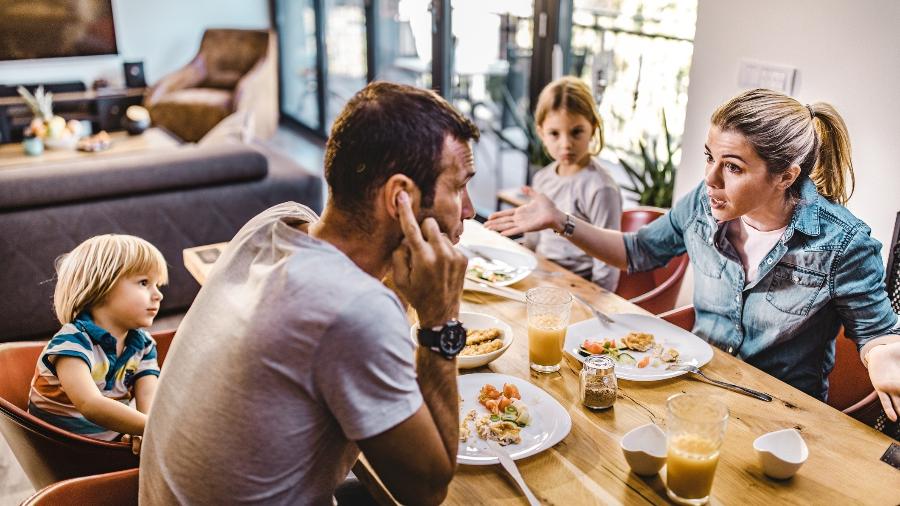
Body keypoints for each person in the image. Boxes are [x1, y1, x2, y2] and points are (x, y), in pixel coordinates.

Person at [139, 81, 479, 505]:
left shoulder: (274, 224)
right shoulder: (353, 309)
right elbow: (426, 490)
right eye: (460, 186)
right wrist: (441, 321)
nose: (469, 209)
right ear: (401, 198)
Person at [486, 88, 900, 419]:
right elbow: (637, 251)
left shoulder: (844, 243)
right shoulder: (703, 203)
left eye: (733, 167)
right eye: (709, 157)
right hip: (693, 391)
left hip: (781, 419)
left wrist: (883, 356)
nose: (710, 178)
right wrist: (560, 219)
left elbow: (877, 333)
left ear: (786, 176)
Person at [28, 234, 167, 452]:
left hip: (108, 443)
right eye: (144, 283)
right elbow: (90, 404)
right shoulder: (73, 342)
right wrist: (155, 429)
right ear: (102, 286)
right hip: (65, 450)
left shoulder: (144, 345)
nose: (158, 295)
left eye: (157, 285)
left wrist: (146, 429)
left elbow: (149, 400)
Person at [523, 76, 622, 290]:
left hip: (579, 286)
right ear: (541, 133)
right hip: (540, 276)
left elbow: (608, 259)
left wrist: (600, 302)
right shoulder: (542, 178)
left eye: (576, 132)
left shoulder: (601, 188)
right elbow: (533, 239)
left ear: (593, 128)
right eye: (554, 134)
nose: (566, 144)